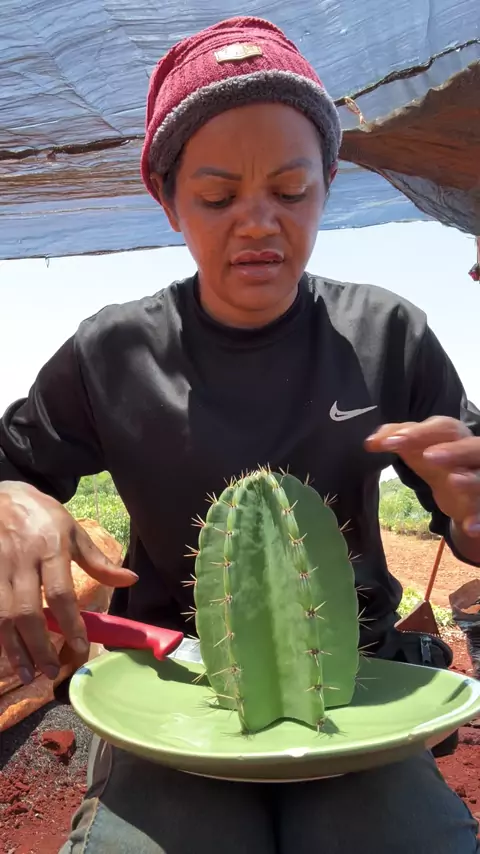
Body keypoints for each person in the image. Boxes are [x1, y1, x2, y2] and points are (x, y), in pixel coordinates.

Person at [0, 15, 479, 854]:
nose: (257, 221)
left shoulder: (387, 334)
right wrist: (12, 495)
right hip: (173, 684)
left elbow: (468, 524)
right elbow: (9, 467)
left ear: (329, 182)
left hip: (353, 686)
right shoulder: (113, 352)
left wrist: (472, 511)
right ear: (167, 198)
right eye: (218, 197)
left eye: (291, 191)